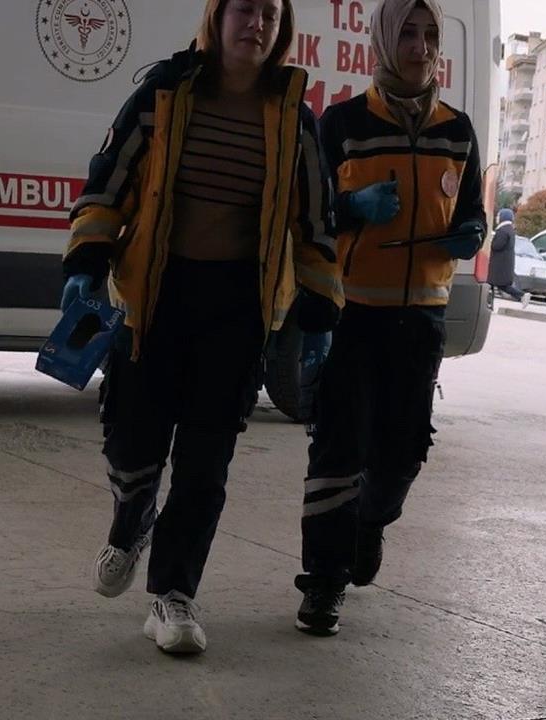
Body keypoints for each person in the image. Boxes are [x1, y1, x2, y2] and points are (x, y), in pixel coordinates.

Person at [65, 0, 338, 655]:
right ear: (217, 17)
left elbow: (314, 217)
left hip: (236, 310)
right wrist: (87, 258)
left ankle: (173, 595)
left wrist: (321, 304)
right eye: (245, 9)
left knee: (205, 463)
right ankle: (133, 515)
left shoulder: (293, 118)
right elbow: (110, 178)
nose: (257, 24)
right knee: (133, 445)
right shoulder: (164, 94)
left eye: (271, 13)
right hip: (155, 298)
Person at [295, 0, 485, 636]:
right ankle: (323, 582)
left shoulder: (458, 130)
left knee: (402, 452)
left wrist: (472, 232)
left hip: (422, 318)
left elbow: (473, 212)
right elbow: (309, 217)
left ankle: (370, 523)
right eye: (407, 32)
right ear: (382, 39)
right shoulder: (343, 123)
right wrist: (353, 207)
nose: (421, 46)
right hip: (350, 314)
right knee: (337, 448)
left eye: (430, 34)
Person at [489, 208, 527, 303]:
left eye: (498, 215)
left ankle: (522, 295)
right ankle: (521, 296)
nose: (497, 218)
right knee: (500, 285)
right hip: (504, 264)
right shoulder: (509, 230)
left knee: (493, 283)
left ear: (503, 217)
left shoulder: (503, 230)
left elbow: (496, 246)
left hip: (499, 265)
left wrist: (491, 241)